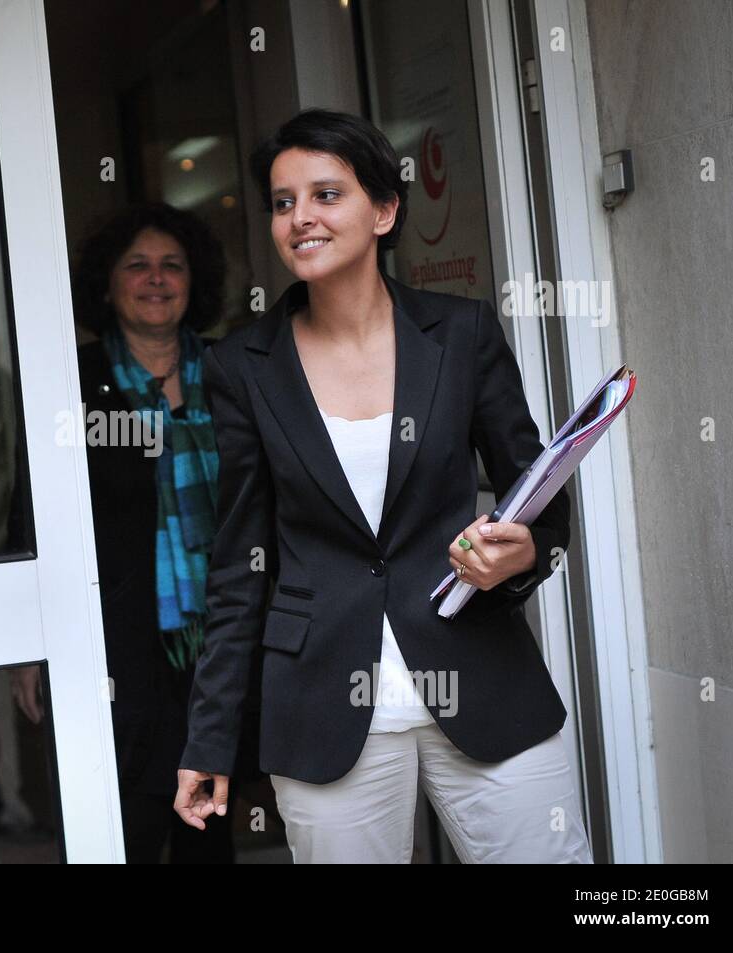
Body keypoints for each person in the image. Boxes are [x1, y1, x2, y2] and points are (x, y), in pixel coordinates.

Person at [173, 110, 593, 864]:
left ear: (385, 210)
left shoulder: (461, 334)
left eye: (326, 194)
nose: (300, 217)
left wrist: (523, 551)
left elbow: (544, 501)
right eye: (282, 201)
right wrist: (209, 738)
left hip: (482, 679)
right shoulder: (242, 367)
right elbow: (239, 567)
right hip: (320, 701)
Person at [15, 203, 242, 863]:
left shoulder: (235, 373)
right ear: (106, 284)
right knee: (128, 827)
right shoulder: (74, 383)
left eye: (172, 265)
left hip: (222, 647)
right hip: (115, 647)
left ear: (194, 280)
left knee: (212, 831)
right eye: (136, 265)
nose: (156, 278)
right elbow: (32, 510)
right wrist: (30, 643)